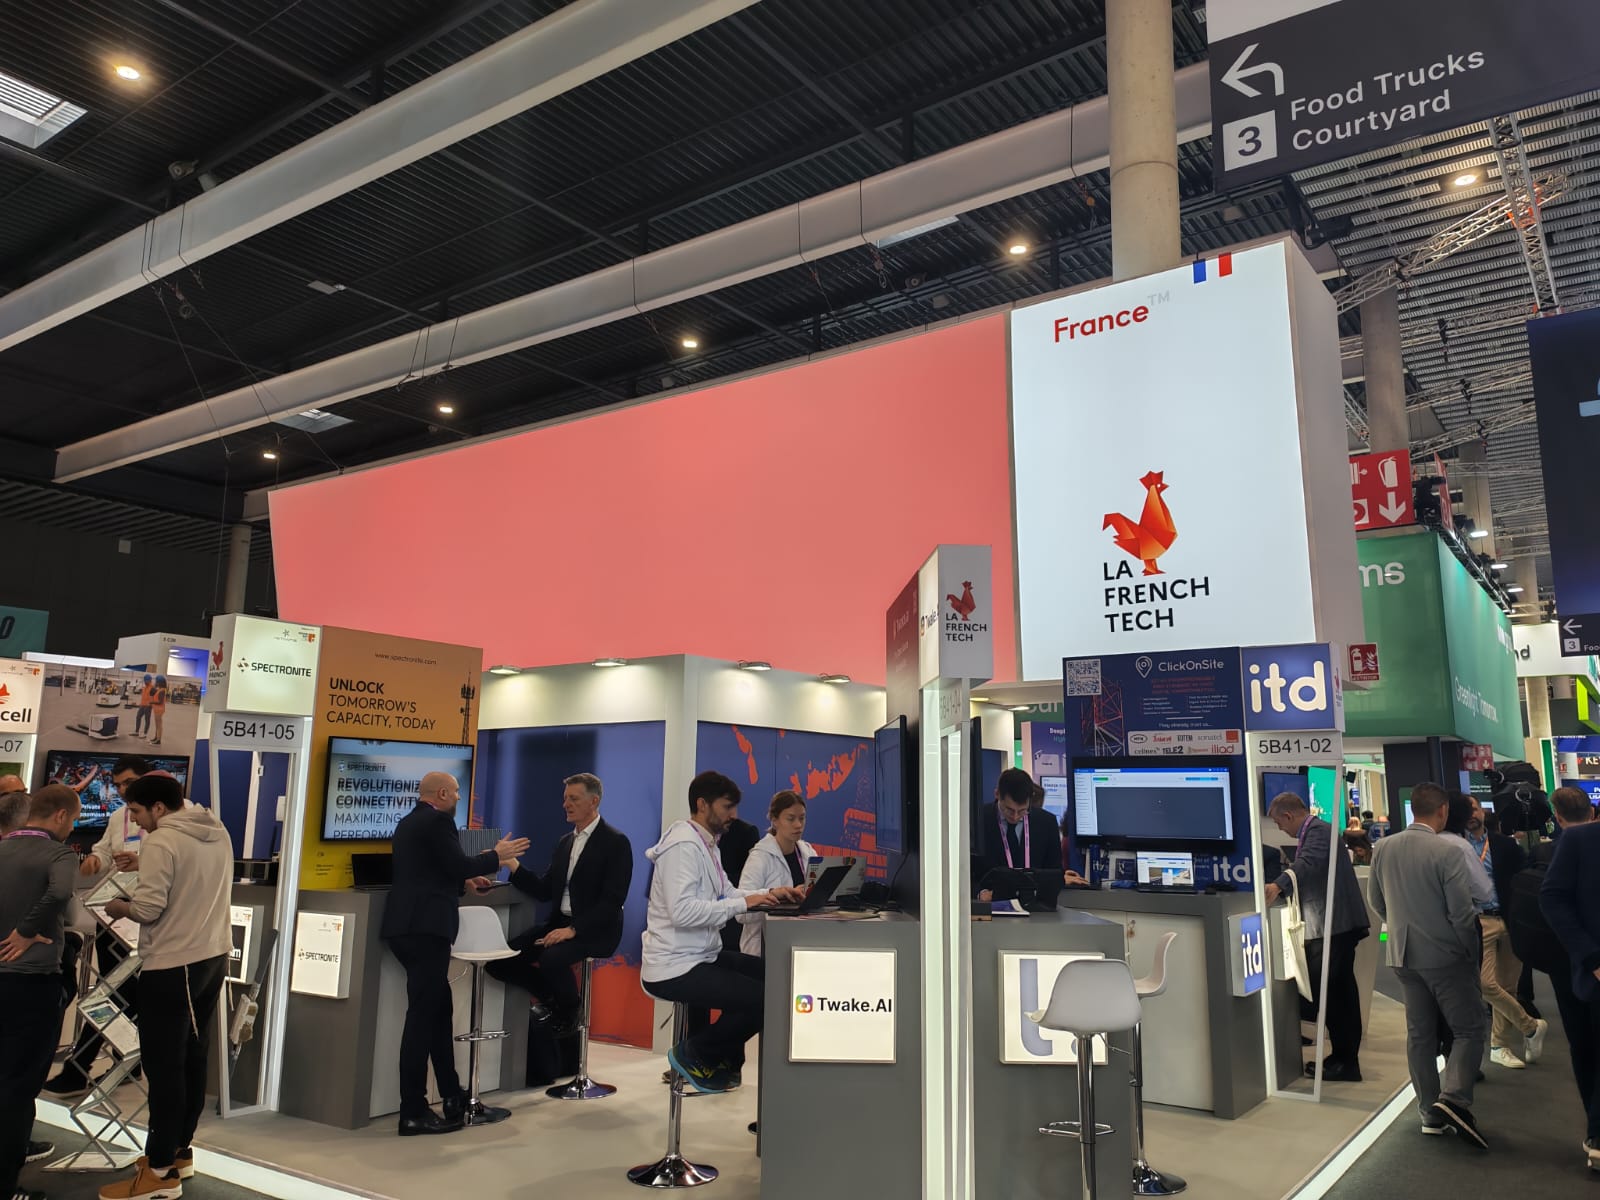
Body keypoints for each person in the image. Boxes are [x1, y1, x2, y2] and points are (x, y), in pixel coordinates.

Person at [95, 774, 230, 1200]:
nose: (134, 821)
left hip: (173, 963)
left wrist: (120, 906)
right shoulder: (215, 828)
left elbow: (149, 909)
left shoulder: (161, 841)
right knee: (192, 1057)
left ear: (158, 807)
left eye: (136, 811)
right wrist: (146, 866)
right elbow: (191, 875)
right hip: (212, 955)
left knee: (165, 1067)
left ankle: (158, 1172)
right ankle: (177, 1152)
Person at [381, 772, 527, 1136]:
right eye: (457, 792)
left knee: (437, 1011)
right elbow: (458, 864)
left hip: (407, 928)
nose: (460, 798)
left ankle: (451, 1096)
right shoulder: (438, 821)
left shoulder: (410, 822)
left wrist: (464, 881)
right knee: (421, 1019)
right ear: (443, 793)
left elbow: (436, 870)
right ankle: (412, 1110)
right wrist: (496, 856)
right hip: (425, 930)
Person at [641, 771, 802, 1093]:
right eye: (727, 807)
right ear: (703, 804)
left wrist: (769, 894)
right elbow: (683, 912)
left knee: (778, 978)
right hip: (674, 966)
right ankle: (697, 1054)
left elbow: (727, 892)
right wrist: (743, 904)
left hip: (702, 954)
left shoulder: (707, 844)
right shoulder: (683, 847)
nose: (734, 815)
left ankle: (719, 1060)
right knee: (765, 998)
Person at [1368, 782, 1488, 1149]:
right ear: (1443, 811)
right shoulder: (1447, 851)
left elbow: (1377, 902)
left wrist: (1401, 928)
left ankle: (1428, 1113)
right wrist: (1469, 951)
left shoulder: (1383, 847)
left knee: (1419, 1035)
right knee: (1469, 1028)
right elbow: (1462, 913)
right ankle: (1454, 1099)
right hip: (1446, 956)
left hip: (1403, 956)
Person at [489, 773, 633, 1030]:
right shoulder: (565, 842)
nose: (566, 804)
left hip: (595, 930)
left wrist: (573, 930)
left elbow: (612, 901)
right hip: (559, 924)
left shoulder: (616, 842)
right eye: (565, 798)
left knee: (551, 959)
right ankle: (551, 1000)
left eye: (574, 798)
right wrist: (512, 864)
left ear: (594, 801)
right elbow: (545, 890)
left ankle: (569, 1013)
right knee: (501, 960)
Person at [45, 757, 151, 1099]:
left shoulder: (172, 821)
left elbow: (174, 865)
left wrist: (142, 863)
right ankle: (120, 1060)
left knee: (121, 995)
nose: (122, 790)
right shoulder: (120, 816)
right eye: (117, 784)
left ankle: (82, 1068)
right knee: (112, 993)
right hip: (114, 915)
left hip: (150, 919)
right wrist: (95, 861)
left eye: (129, 782)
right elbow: (105, 850)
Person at [0, 785, 80, 1200]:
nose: (73, 828)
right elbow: (63, 895)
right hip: (32, 984)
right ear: (61, 816)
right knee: (17, 1088)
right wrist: (27, 930)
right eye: (74, 820)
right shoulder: (59, 854)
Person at [1263, 793, 1370, 1081]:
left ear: (1288, 815)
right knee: (1338, 995)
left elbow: (1309, 864)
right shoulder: (1317, 831)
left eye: (1279, 823)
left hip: (1335, 927)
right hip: (1333, 927)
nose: (1280, 829)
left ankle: (1345, 1062)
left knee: (1336, 997)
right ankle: (1343, 1059)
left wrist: (1278, 885)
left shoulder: (1319, 832)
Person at [1451, 792, 1546, 1070]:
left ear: (1482, 812)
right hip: (1477, 921)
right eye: (1467, 811)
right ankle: (1530, 1026)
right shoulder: (1454, 846)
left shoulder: (1504, 844)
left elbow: (1524, 877)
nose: (1472, 815)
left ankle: (1499, 1046)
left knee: (1508, 986)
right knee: (1485, 984)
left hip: (1508, 919)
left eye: (1475, 809)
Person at [1540, 785, 1600, 1172]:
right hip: (1591, 968)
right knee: (1588, 1049)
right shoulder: (1582, 840)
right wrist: (1590, 957)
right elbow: (1552, 897)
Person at [737, 791, 818, 956]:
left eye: (802, 818)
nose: (798, 825)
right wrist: (778, 898)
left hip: (802, 941)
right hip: (764, 949)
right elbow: (740, 913)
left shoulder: (808, 852)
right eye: (791, 819)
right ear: (775, 821)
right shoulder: (759, 857)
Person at [974, 767, 1062, 900]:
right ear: (997, 794)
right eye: (1009, 810)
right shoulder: (978, 820)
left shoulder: (1046, 823)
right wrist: (980, 893)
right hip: (991, 904)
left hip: (1035, 906)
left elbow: (1053, 871)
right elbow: (965, 871)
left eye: (1022, 811)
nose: (1015, 816)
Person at [148, 677, 168, 746]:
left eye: (156, 681)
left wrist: (151, 702)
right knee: (157, 725)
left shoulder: (162, 691)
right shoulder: (159, 689)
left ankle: (158, 741)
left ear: (159, 682)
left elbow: (160, 702)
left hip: (159, 710)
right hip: (157, 709)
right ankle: (156, 738)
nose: (155, 682)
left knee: (159, 725)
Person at [134, 675, 155, 740]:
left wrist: (150, 704)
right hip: (142, 705)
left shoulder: (152, 688)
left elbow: (154, 698)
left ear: (150, 681)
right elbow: (143, 697)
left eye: (147, 681)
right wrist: (140, 704)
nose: (146, 682)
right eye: (145, 681)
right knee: (138, 717)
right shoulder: (144, 687)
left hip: (148, 706)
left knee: (147, 720)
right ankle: (136, 732)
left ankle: (145, 734)